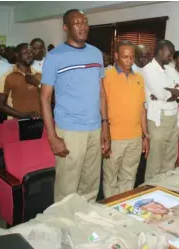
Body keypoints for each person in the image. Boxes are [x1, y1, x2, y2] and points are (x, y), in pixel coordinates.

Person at [40, 9, 110, 203]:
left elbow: (101, 92)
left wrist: (105, 125)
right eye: (77, 22)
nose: (83, 26)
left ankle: (83, 227)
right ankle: (63, 228)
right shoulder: (55, 56)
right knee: (67, 190)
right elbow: (45, 98)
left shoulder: (95, 53)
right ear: (66, 28)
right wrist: (52, 136)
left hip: (94, 128)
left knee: (90, 185)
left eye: (85, 22)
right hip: (70, 131)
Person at [102, 41, 149, 198]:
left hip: (135, 138)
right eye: (125, 57)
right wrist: (105, 135)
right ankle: (110, 211)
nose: (129, 61)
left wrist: (145, 135)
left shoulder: (139, 79)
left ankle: (123, 209)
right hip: (114, 137)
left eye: (131, 57)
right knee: (110, 179)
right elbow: (101, 107)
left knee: (129, 178)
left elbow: (142, 109)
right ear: (116, 56)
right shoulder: (106, 76)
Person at [142, 40, 179, 181]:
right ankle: (149, 190)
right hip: (159, 119)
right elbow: (161, 94)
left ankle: (165, 189)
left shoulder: (170, 69)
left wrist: (171, 92)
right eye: (170, 53)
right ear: (161, 50)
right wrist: (172, 92)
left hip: (174, 117)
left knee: (170, 158)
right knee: (156, 160)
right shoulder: (148, 69)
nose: (172, 56)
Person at [0, 43, 41, 119]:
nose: (29, 55)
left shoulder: (39, 75)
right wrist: (24, 115)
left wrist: (37, 83)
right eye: (25, 52)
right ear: (17, 55)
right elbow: (0, 105)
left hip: (39, 121)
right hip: (16, 123)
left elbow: (49, 98)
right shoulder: (7, 76)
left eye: (31, 52)